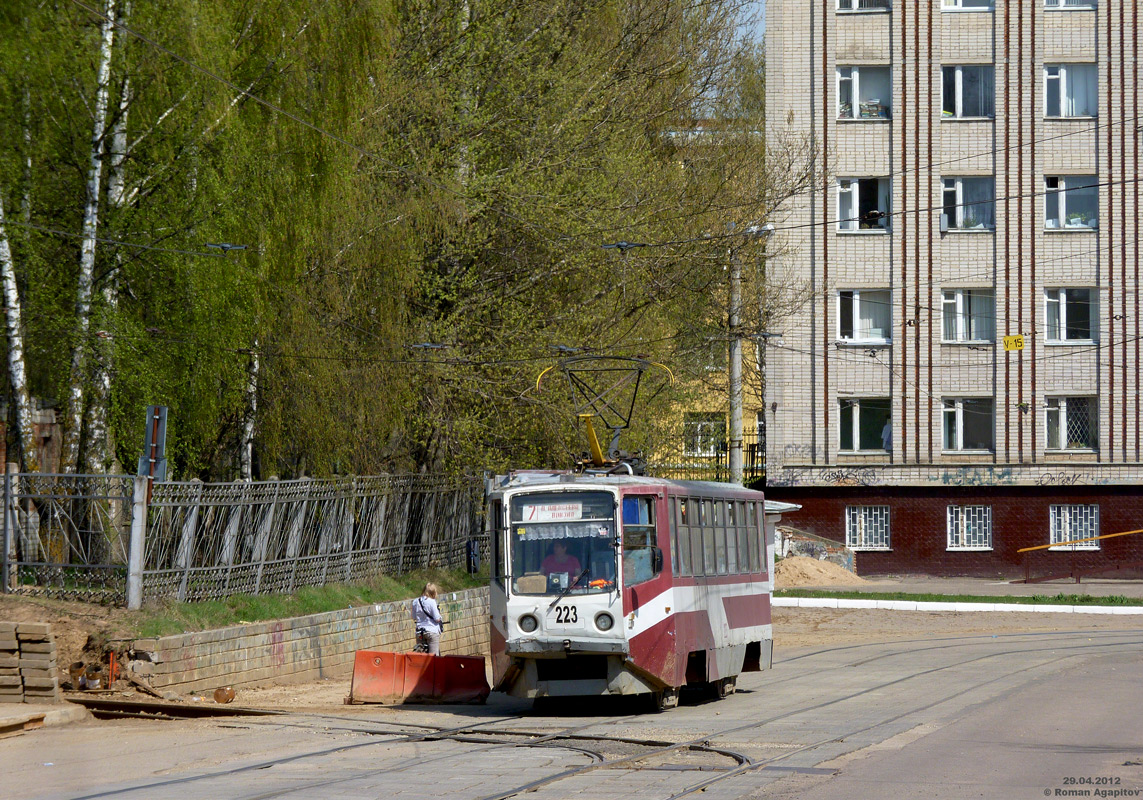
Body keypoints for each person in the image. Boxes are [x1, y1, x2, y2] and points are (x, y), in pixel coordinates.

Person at [410, 582, 444, 655]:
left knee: (421, 655)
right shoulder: (432, 602)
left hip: (420, 631)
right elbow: (437, 618)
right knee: (434, 658)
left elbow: (413, 617)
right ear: (433, 592)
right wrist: (440, 617)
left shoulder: (415, 601)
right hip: (431, 631)